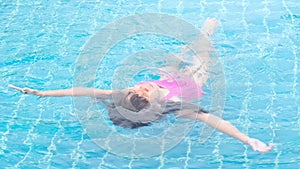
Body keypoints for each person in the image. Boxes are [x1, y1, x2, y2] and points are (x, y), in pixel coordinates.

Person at [8, 18, 274, 154]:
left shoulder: (130, 94)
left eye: (136, 89)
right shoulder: (176, 106)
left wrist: (43, 93)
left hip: (167, 77)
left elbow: (84, 91)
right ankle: (206, 33)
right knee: (203, 51)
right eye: (143, 92)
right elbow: (213, 121)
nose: (139, 87)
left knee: (177, 57)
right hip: (192, 83)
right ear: (155, 106)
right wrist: (247, 139)